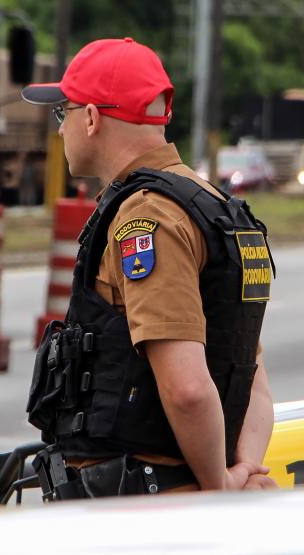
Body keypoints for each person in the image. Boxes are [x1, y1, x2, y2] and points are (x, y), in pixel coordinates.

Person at [23, 37, 277, 499]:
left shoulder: (148, 218)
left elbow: (188, 389)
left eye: (65, 113)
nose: (61, 129)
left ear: (93, 118)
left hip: (144, 508)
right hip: (187, 492)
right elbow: (250, 374)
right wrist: (243, 471)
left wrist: (219, 487)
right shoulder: (219, 209)